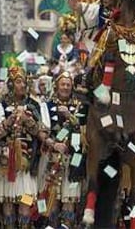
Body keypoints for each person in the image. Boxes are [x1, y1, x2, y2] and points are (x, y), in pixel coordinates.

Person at [0, 67, 41, 228]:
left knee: (25, 205)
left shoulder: (34, 104)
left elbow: (40, 132)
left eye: (24, 82)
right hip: (6, 162)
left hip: (27, 162)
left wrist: (27, 120)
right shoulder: (0, 105)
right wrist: (12, 118)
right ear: (11, 84)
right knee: (7, 206)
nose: (22, 85)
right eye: (18, 81)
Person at [38, 71, 86, 228]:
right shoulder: (45, 105)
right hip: (51, 159)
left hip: (74, 160)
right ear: (56, 86)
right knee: (50, 199)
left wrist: (70, 116)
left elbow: (85, 132)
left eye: (68, 84)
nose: (65, 87)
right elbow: (41, 132)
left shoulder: (80, 106)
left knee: (70, 200)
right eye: (62, 84)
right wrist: (53, 144)